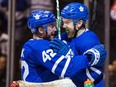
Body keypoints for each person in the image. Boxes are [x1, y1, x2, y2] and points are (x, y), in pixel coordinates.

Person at [21, 10, 106, 83]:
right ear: (40, 30)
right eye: (51, 26)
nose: (55, 29)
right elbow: (68, 68)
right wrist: (90, 57)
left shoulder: (30, 44)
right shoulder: (40, 47)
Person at [50, 2, 107, 87]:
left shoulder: (89, 40)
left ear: (79, 23)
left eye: (67, 22)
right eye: (63, 22)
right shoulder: (63, 37)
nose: (64, 26)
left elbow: (91, 76)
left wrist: (69, 57)